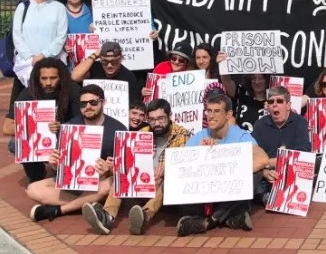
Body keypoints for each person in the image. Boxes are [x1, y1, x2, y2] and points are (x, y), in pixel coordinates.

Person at [81, 98, 192, 235]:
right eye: (152, 119)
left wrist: (169, 167)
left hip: (166, 190)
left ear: (169, 116)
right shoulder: (143, 132)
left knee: (168, 179)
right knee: (122, 172)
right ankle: (107, 217)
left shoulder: (183, 135)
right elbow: (129, 162)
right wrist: (114, 165)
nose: (156, 123)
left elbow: (185, 167)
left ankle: (144, 216)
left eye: (160, 118)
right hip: (142, 184)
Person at [28, 85, 127, 222]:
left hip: (100, 182)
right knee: (33, 188)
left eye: (93, 102)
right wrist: (55, 164)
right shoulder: (69, 127)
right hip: (73, 183)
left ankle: (59, 210)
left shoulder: (118, 129)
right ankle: (87, 205)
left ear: (103, 102)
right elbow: (59, 166)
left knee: (112, 184)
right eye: (83, 104)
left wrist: (109, 169)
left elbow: (124, 170)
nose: (88, 107)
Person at [175, 94, 270, 236]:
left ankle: (208, 222)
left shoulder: (240, 136)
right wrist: (200, 155)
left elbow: (262, 158)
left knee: (257, 173)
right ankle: (231, 217)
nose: (211, 116)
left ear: (228, 114)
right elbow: (180, 165)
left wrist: (232, 171)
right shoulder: (199, 137)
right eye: (209, 111)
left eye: (217, 111)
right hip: (204, 192)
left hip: (228, 192)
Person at [4, 59, 82, 183]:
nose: (49, 83)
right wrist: (36, 126)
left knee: (62, 179)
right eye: (44, 78)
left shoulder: (72, 90)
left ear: (61, 77)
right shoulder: (29, 92)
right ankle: (36, 174)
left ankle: (65, 173)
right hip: (39, 138)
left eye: (53, 78)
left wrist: (62, 127)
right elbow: (7, 127)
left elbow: (83, 124)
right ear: (37, 78)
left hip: (64, 136)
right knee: (14, 143)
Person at [252, 86, 310, 205]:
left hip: (291, 172)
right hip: (266, 176)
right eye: (271, 102)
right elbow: (253, 155)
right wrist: (265, 172)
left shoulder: (300, 122)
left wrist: (270, 162)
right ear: (267, 106)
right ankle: (267, 197)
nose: (274, 105)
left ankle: (273, 198)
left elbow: (302, 152)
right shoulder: (259, 125)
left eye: (279, 101)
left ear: (288, 105)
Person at [11, 0, 68, 86]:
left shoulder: (59, 8)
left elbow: (61, 36)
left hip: (52, 64)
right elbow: (17, 36)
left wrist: (43, 55)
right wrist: (30, 57)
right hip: (26, 65)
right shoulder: (22, 7)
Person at [72, 41, 143, 103]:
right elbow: (75, 77)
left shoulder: (129, 77)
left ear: (121, 59)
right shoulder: (94, 68)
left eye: (114, 61)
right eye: (105, 61)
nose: (109, 65)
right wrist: (94, 55)